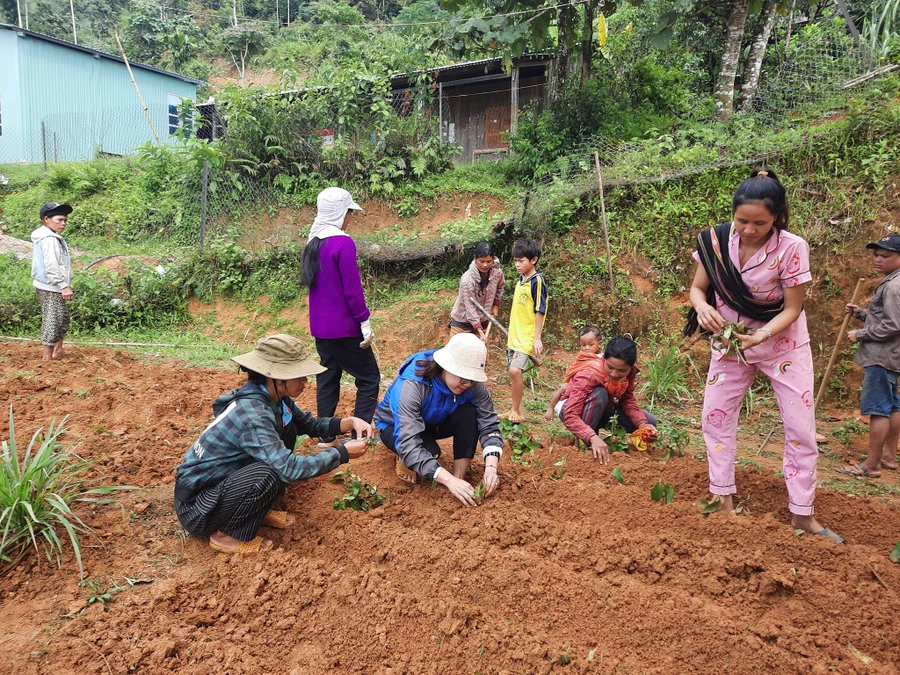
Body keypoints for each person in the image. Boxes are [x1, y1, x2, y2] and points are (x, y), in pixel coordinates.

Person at [687, 167, 843, 543]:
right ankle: (721, 495)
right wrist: (703, 308)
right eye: (742, 220)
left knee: (800, 429)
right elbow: (696, 289)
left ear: (777, 217)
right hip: (730, 345)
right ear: (733, 214)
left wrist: (761, 335)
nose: (749, 229)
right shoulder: (715, 241)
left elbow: (793, 309)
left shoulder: (792, 247)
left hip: (781, 345)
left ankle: (802, 514)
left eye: (760, 222)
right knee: (715, 419)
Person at [174, 334, 372, 553]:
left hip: (222, 486)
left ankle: (251, 509)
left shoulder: (274, 399)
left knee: (287, 433)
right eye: (298, 375)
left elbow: (309, 425)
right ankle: (225, 535)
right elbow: (290, 469)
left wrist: (349, 422)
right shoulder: (254, 414)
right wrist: (342, 453)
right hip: (197, 508)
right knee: (268, 473)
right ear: (276, 377)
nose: (305, 382)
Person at [374, 333, 503, 507]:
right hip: (395, 426)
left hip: (433, 420)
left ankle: (460, 478)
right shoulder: (412, 385)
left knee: (470, 412)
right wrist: (447, 480)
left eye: (472, 381)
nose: (467, 385)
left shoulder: (472, 384)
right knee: (430, 452)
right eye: (463, 379)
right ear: (446, 366)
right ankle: (405, 459)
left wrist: (491, 468)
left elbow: (489, 422)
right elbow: (408, 442)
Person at [301, 187, 380, 449]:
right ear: (340, 213)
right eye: (349, 213)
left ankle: (326, 436)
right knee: (369, 377)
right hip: (344, 328)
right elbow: (352, 289)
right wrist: (364, 319)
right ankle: (360, 435)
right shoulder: (342, 242)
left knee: (328, 376)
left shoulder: (313, 242)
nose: (349, 219)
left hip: (320, 328)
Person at [839, 233, 900, 477]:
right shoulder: (893, 281)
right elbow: (886, 318)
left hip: (881, 356)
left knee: (878, 409)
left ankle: (871, 464)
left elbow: (893, 325)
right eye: (876, 254)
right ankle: (889, 456)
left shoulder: (894, 287)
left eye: (885, 256)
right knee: (893, 405)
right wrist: (862, 313)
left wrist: (861, 334)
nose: (878, 259)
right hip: (892, 356)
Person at [559, 335, 658, 462]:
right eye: (610, 367)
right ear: (604, 358)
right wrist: (592, 437)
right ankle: (586, 444)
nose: (614, 374)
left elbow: (627, 399)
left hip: (604, 408)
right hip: (572, 410)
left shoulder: (631, 371)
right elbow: (570, 414)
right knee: (600, 394)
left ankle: (593, 437)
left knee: (650, 421)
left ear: (630, 367)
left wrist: (642, 424)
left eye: (622, 371)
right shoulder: (590, 373)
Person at [506, 238, 547, 423]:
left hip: (526, 337)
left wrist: (537, 338)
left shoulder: (537, 282)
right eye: (515, 260)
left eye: (521, 261)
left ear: (534, 260)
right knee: (515, 374)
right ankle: (519, 414)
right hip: (514, 336)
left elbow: (540, 309)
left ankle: (514, 410)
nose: (517, 264)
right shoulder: (521, 280)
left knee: (515, 371)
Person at [31, 202, 74, 361]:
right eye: (59, 219)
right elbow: (51, 266)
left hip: (52, 285)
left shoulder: (50, 236)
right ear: (46, 219)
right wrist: (63, 286)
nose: (63, 223)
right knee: (53, 318)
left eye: (65, 220)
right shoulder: (48, 239)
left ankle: (58, 350)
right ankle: (47, 357)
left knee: (62, 317)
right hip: (50, 286)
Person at [448, 241, 505, 340]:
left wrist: (496, 304)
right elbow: (469, 306)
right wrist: (477, 327)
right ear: (475, 259)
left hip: (483, 319)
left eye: (489, 261)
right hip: (462, 323)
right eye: (481, 261)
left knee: (481, 353)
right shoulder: (467, 279)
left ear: (493, 259)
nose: (485, 265)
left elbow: (500, 286)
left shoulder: (497, 273)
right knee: (457, 352)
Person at [544, 325, 603, 421]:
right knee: (564, 388)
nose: (587, 348)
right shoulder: (582, 356)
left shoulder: (602, 357)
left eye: (591, 345)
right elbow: (575, 368)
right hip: (577, 380)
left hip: (592, 384)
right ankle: (551, 407)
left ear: (599, 344)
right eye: (583, 345)